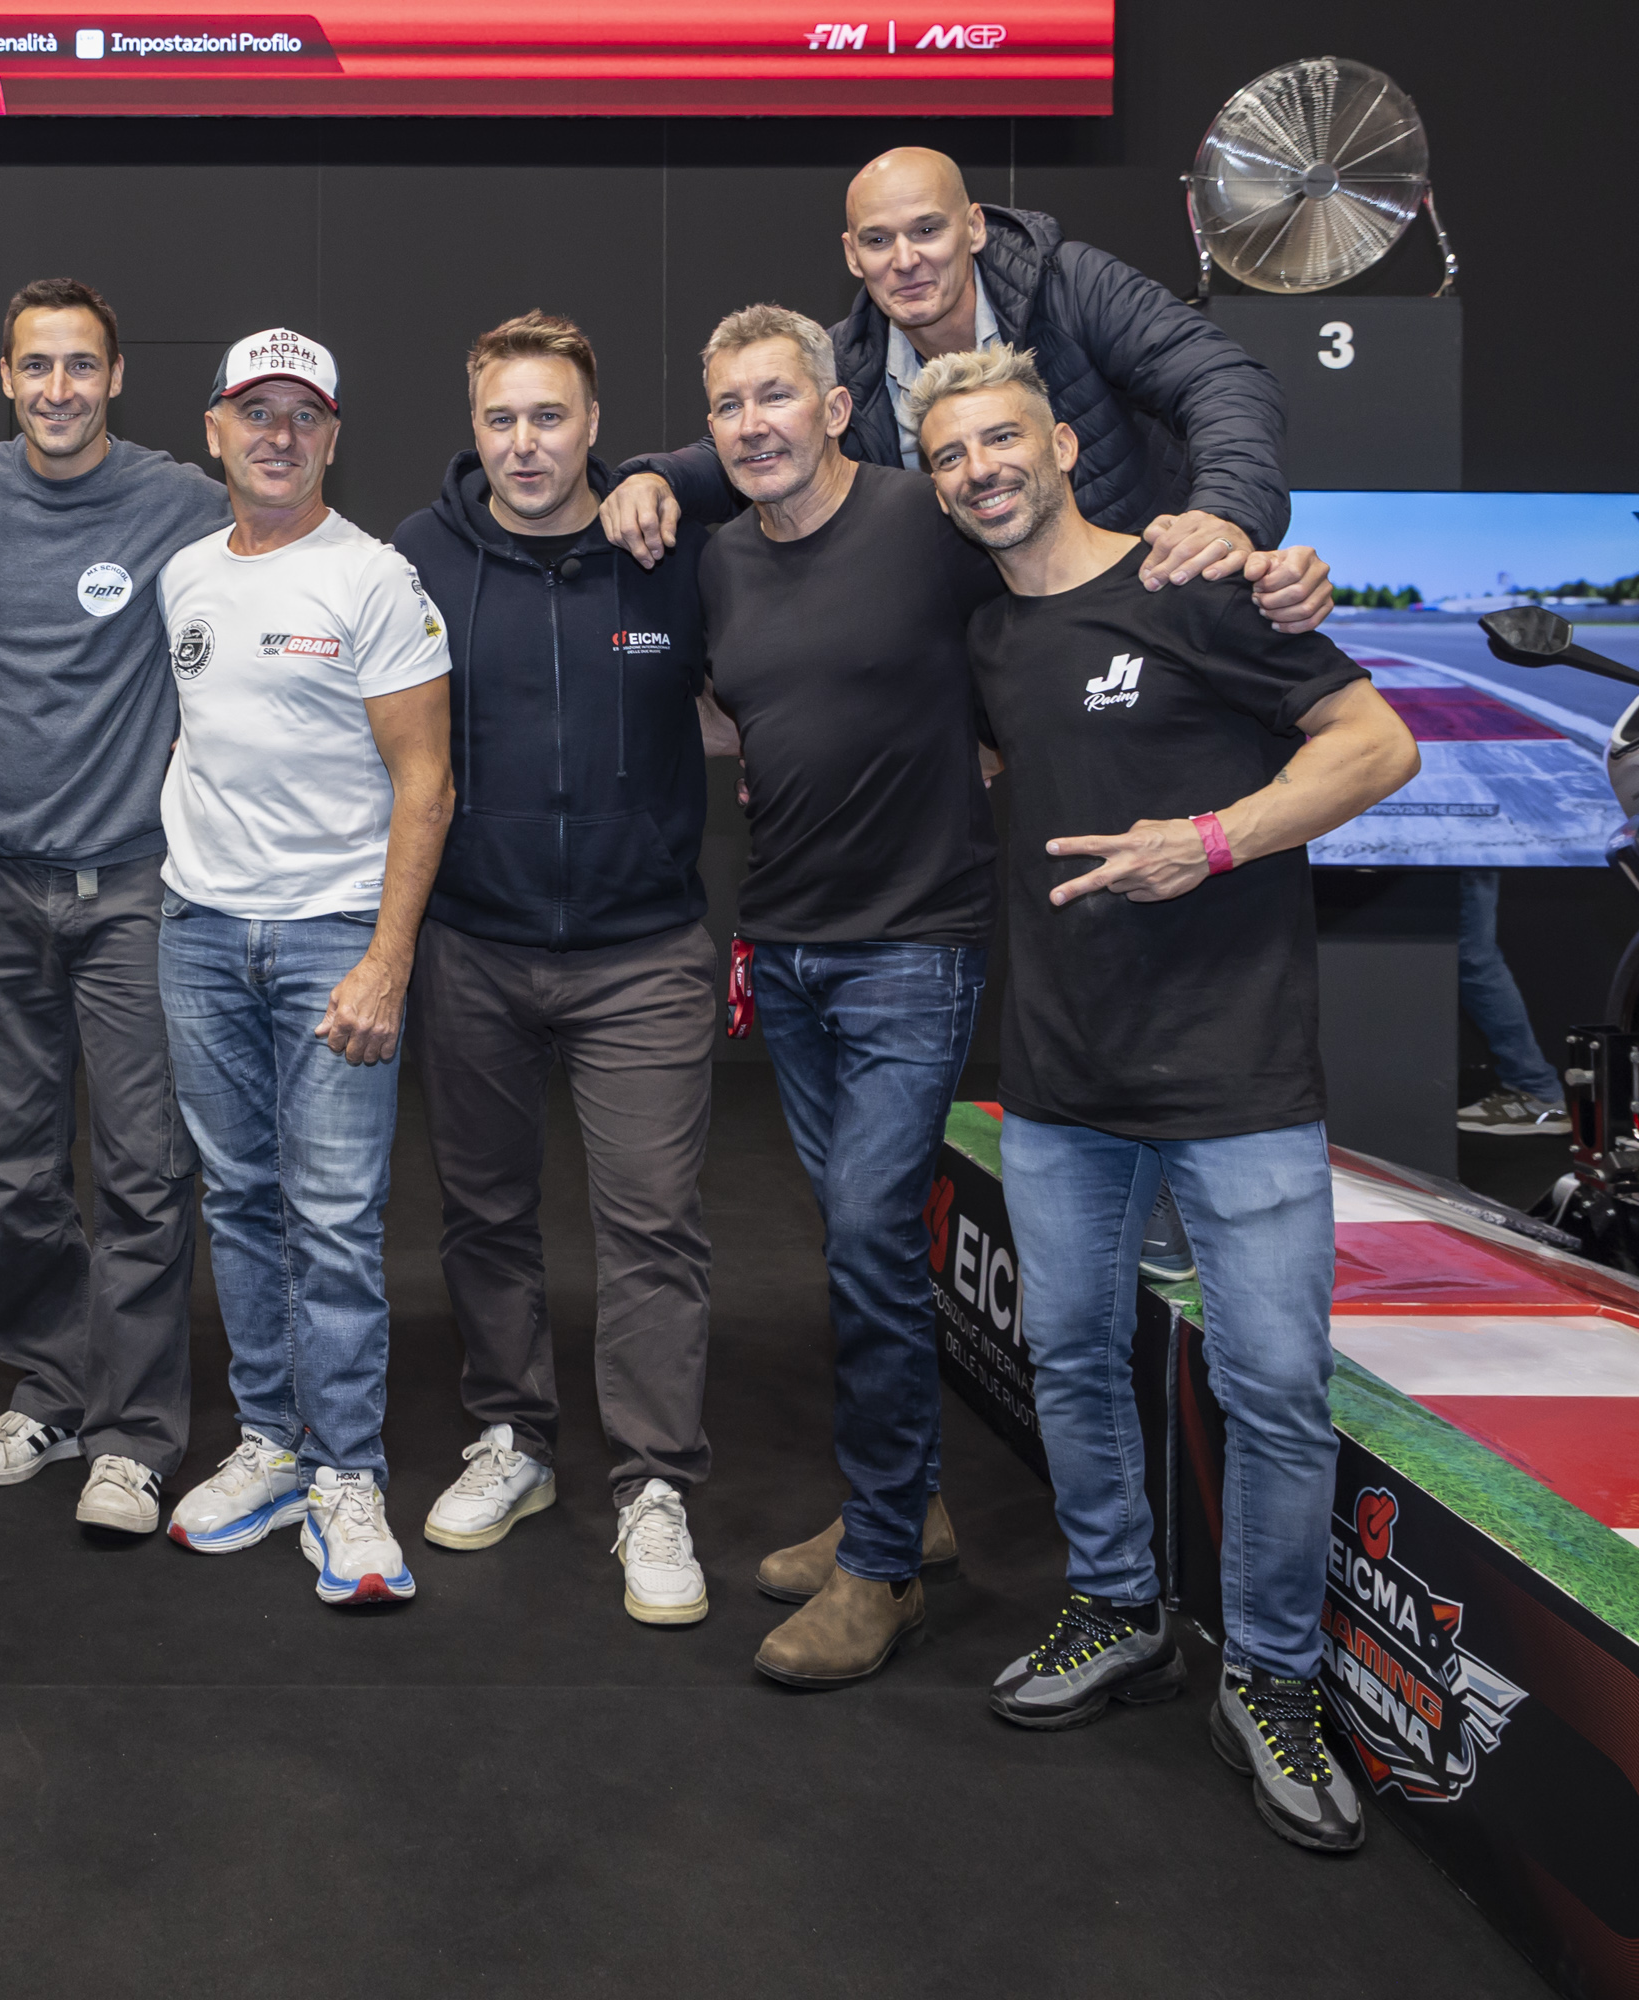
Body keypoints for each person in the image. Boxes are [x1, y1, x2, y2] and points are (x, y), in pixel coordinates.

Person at [663, 305, 1333, 1692]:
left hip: (920, 945)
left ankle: (886, 1564)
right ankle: (908, 1503)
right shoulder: (722, 560)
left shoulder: (932, 522)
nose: (752, 425)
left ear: (838, 406)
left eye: (778, 395)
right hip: (788, 943)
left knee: (866, 1233)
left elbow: (1083, 582)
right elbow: (751, 701)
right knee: (866, 1251)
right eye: (727, 406)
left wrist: (1253, 552)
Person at [915, 344, 1417, 1852]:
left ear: (1066, 442)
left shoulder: (1199, 582)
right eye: (951, 455)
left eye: (1002, 438)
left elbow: (1376, 744)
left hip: (1237, 1074)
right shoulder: (990, 634)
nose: (981, 470)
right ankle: (1119, 1609)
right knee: (1072, 1360)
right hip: (1064, 1077)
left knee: (1273, 1391)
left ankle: (1269, 1676)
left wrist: (1208, 841)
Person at [388, 312, 722, 1626]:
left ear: (593, 426)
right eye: (501, 419)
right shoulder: (417, 558)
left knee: (652, 1227)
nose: (525, 444)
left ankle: (654, 1484)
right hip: (472, 942)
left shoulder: (667, 549)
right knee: (484, 1214)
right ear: (473, 429)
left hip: (643, 953)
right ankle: (513, 1437)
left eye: (549, 417)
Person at [157, 328, 454, 1607]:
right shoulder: (184, 574)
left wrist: (388, 959)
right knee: (237, 1199)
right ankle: (273, 1443)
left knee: (332, 1217)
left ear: (333, 436)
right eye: (255, 411)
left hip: (335, 935)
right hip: (199, 931)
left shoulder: (374, 577)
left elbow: (427, 782)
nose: (278, 435)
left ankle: (348, 1470)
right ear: (214, 430)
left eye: (304, 415)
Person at [0, 278, 228, 1536]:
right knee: (14, 1167)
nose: (59, 388)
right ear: (6, 379)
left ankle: (134, 1435)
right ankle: (52, 1390)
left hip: (134, 888)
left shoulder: (185, 500)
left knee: (146, 1169)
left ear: (116, 377)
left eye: (82, 365)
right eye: (36, 366)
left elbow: (304, 543)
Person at [604, 146, 1292, 603]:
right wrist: (656, 479)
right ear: (852, 256)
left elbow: (1222, 381)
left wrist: (1224, 514)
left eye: (927, 230)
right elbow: (759, 440)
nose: (905, 260)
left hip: (1143, 595)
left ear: (974, 227)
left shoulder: (1070, 284)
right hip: (989, 646)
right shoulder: (849, 359)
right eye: (878, 240)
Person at [1455, 870, 1568, 1132]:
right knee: (1473, 959)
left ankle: (1538, 1093)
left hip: (1459, 857)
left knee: (1474, 959)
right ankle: (1537, 1089)